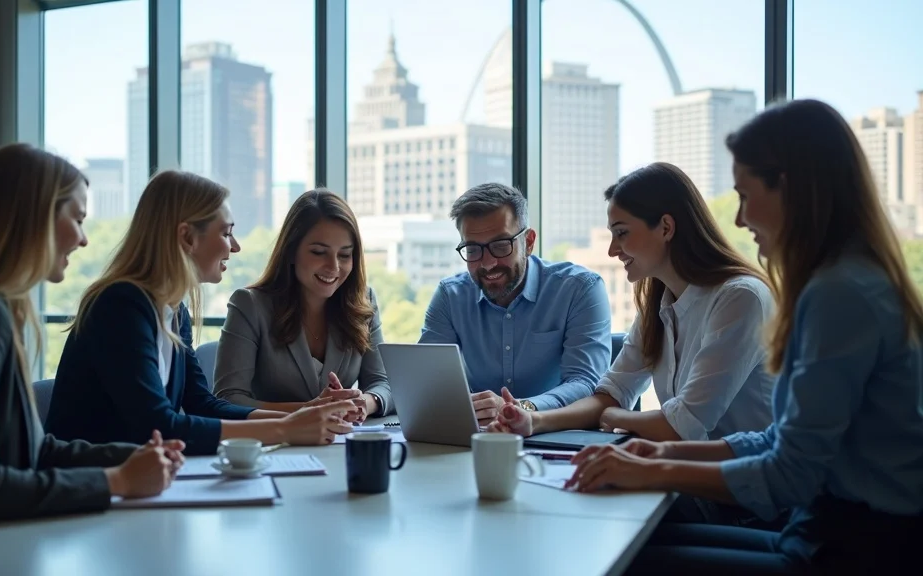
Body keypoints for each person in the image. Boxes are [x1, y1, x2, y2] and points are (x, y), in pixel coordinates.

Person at [567, 99, 923, 574]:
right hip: (824, 530)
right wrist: (662, 452)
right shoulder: (841, 282)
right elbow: (780, 439)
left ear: (790, 189)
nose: (739, 219)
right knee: (632, 539)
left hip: (854, 548)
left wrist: (653, 465)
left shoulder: (838, 296)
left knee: (624, 555)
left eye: (745, 194)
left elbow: (789, 475)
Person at [0, 144, 181, 539]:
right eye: (78, 219)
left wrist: (130, 457)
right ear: (35, 218)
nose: (84, 240)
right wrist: (116, 481)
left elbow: (36, 451)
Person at [491, 163, 776, 526]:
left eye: (622, 233)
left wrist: (612, 417)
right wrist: (532, 421)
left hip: (743, 504)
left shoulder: (740, 299)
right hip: (690, 486)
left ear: (667, 228)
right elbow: (610, 393)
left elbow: (680, 426)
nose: (613, 250)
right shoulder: (660, 302)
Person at [46, 171, 355, 456]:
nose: (235, 247)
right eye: (226, 233)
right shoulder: (120, 306)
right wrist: (284, 429)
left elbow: (202, 404)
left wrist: (303, 416)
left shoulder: (173, 309)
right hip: (92, 487)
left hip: (139, 485)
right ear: (187, 238)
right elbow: (158, 426)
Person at [419, 182, 612, 426]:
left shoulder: (580, 289)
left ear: (529, 242)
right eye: (473, 249)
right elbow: (427, 382)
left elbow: (585, 383)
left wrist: (521, 409)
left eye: (501, 246)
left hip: (555, 434)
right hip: (479, 437)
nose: (487, 264)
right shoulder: (450, 296)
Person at [214, 189, 391, 419]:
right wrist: (309, 410)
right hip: (275, 446)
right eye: (319, 252)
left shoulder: (363, 302)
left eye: (345, 255)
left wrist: (365, 403)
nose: (334, 267)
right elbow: (227, 398)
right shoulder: (249, 305)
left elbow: (383, 384)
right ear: (291, 251)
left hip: (337, 446)